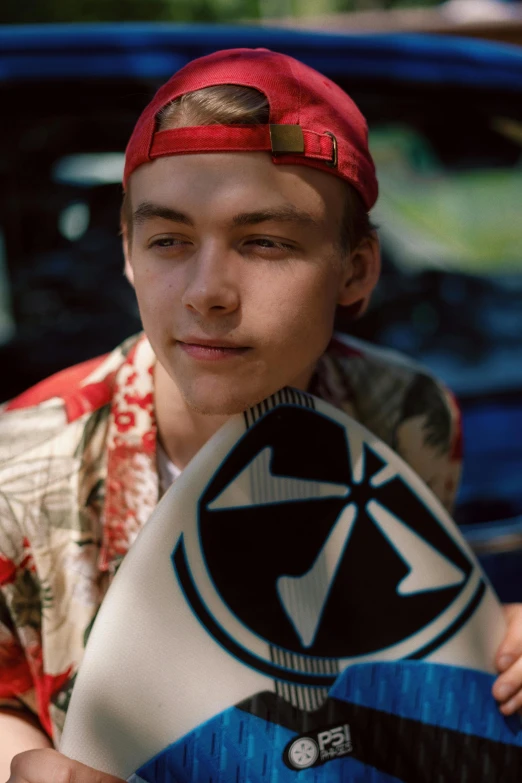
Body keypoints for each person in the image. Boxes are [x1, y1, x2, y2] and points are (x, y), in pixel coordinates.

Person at [1, 47, 521, 783]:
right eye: (168, 241)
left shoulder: (404, 413)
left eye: (265, 242)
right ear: (126, 252)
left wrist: (492, 649)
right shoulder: (19, 465)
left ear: (357, 270)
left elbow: (384, 660)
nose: (208, 291)